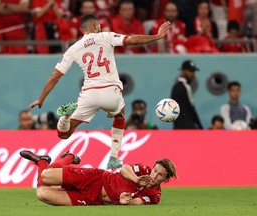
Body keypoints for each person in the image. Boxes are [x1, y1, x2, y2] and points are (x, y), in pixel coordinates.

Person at [27, 14, 171, 169]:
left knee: (64, 134)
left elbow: (55, 75)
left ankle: (66, 116)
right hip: (111, 91)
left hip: (89, 94)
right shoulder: (106, 36)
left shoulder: (73, 48)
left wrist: (41, 98)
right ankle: (114, 158)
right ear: (95, 26)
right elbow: (132, 40)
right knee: (120, 115)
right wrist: (156, 37)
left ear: (82, 30)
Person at [19, 150, 177, 206]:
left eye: (159, 175)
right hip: (96, 178)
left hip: (93, 199)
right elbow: (124, 168)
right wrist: (136, 180)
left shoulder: (155, 195)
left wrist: (125, 201)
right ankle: (69, 158)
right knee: (45, 176)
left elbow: (138, 202)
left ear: (165, 179)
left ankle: (42, 161)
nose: (154, 175)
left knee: (42, 193)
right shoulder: (144, 170)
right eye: (155, 170)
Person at [170, 60, 203, 129]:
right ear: (183, 71)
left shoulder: (176, 86)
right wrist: (200, 127)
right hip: (186, 127)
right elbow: (190, 108)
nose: (192, 74)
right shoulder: (185, 86)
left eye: (193, 71)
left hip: (179, 126)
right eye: (190, 71)